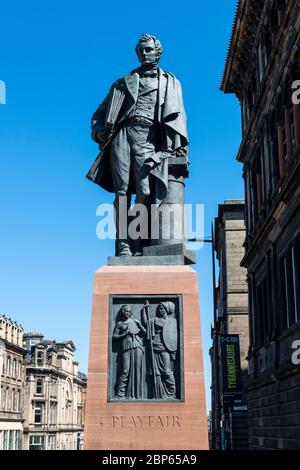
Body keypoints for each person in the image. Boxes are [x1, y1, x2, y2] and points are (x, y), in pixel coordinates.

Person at [87, 34, 188, 256]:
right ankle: (124, 244)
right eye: (141, 50)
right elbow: (98, 115)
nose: (145, 53)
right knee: (122, 192)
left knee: (144, 191)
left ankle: (139, 240)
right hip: (122, 135)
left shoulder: (169, 82)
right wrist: (98, 132)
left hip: (148, 137)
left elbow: (178, 116)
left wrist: (178, 147)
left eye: (149, 50)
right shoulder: (123, 83)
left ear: (158, 52)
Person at [142, 301, 178, 399]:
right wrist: (144, 309)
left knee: (166, 371)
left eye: (162, 308)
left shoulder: (171, 321)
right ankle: (158, 394)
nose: (159, 309)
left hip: (165, 348)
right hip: (154, 346)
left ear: (167, 309)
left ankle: (171, 392)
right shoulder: (155, 320)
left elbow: (173, 338)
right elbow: (146, 323)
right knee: (156, 372)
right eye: (159, 308)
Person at [112, 304, 146, 399]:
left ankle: (137, 395)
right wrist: (124, 334)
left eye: (128, 311)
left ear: (130, 313)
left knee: (137, 370)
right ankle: (120, 394)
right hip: (126, 347)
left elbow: (146, 333)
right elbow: (114, 337)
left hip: (137, 346)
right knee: (125, 370)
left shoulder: (135, 322)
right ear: (123, 312)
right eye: (125, 311)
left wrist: (139, 324)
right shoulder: (120, 324)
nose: (127, 313)